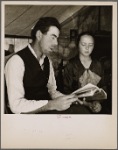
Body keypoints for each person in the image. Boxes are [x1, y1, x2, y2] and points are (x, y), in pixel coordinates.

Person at [4, 17, 79, 114]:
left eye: (56, 38)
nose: (56, 43)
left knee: (81, 111)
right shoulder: (16, 61)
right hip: (26, 121)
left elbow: (52, 91)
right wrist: (51, 104)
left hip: (46, 113)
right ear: (39, 35)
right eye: (52, 37)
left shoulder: (47, 61)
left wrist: (67, 99)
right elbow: (16, 106)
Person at [63, 32, 107, 113]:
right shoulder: (70, 65)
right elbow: (66, 90)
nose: (87, 48)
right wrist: (86, 104)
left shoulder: (98, 65)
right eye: (83, 44)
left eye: (90, 45)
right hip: (76, 107)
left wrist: (98, 102)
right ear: (77, 45)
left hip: (97, 108)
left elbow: (103, 87)